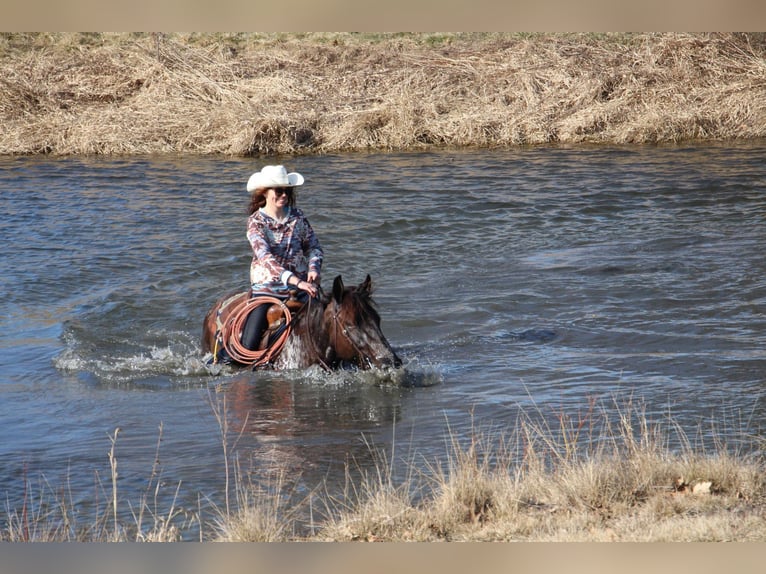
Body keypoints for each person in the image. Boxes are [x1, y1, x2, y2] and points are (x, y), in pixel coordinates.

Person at [240, 164, 324, 351]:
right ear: (264, 193)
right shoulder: (256, 222)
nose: (284, 195)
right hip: (267, 289)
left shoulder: (298, 217)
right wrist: (296, 281)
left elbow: (314, 247)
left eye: (286, 191)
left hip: (302, 287)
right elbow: (266, 259)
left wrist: (313, 269)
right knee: (249, 344)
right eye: (279, 191)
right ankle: (225, 361)